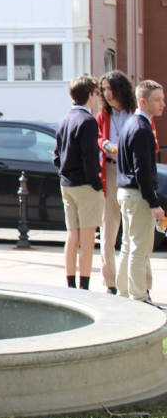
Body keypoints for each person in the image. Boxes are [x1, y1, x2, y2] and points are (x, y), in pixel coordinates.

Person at [115, 79, 167, 308]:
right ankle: (139, 298)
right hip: (136, 195)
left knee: (128, 245)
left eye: (163, 99)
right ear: (143, 101)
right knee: (140, 247)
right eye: (158, 100)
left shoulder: (131, 124)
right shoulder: (142, 128)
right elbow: (142, 170)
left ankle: (125, 293)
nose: (162, 104)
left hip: (126, 192)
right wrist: (153, 202)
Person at [53, 76, 104, 290]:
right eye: (96, 93)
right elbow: (89, 156)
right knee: (88, 237)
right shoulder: (88, 121)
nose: (97, 98)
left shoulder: (65, 119)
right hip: (85, 184)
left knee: (72, 235)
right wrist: (97, 183)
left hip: (67, 183)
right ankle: (84, 285)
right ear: (90, 95)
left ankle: (71, 283)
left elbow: (56, 156)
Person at [97, 71, 145, 295]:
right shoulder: (103, 115)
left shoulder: (136, 113)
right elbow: (97, 135)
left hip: (131, 170)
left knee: (134, 228)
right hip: (110, 170)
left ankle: (141, 282)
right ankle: (110, 282)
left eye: (110, 89)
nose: (107, 94)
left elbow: (149, 141)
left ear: (121, 89)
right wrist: (103, 143)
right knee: (109, 227)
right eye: (103, 90)